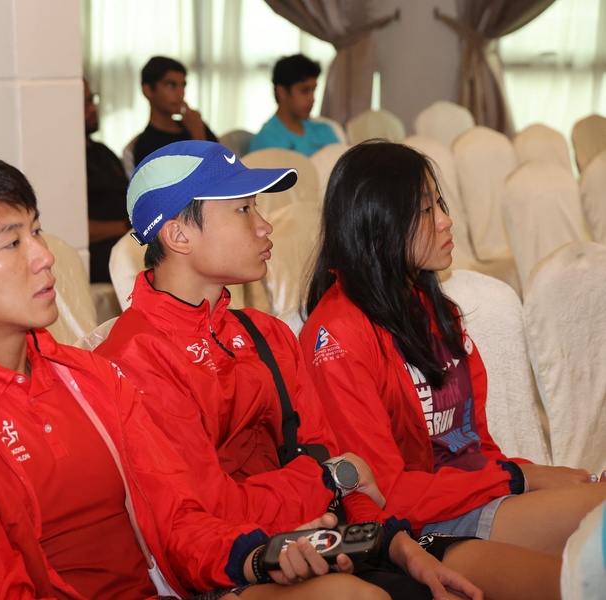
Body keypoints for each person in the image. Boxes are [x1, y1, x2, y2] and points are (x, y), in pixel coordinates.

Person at [0, 151, 389, 599]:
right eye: (12, 243)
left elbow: (179, 519)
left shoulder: (89, 378)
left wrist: (256, 558)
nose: (46, 256)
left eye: (37, 231)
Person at [96, 140, 485, 600]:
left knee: (473, 579)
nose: (264, 226)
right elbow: (199, 520)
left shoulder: (267, 334)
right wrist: (325, 478)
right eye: (243, 210)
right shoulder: (133, 360)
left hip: (317, 542)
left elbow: (344, 471)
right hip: (231, 570)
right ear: (178, 235)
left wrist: (402, 548)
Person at [301, 140, 606, 597]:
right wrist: (521, 478)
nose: (446, 221)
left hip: (469, 495)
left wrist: (519, 476)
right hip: (417, 522)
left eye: (439, 203)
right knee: (580, 568)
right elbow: (380, 491)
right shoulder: (337, 336)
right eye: (425, 212)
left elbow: (473, 444)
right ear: (378, 228)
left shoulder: (432, 306)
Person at [84, 78, 129, 283]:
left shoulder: (104, 153)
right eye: (84, 103)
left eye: (91, 100)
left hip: (130, 237)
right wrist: (125, 227)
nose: (92, 109)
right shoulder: (66, 164)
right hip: (101, 251)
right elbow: (74, 227)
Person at [133, 56, 217, 166]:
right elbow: (200, 178)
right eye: (170, 85)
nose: (180, 93)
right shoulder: (146, 145)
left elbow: (225, 166)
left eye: (183, 86)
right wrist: (198, 135)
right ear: (148, 90)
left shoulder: (193, 124)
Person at [248, 54, 339, 157]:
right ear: (282, 92)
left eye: (314, 90)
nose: (312, 98)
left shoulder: (324, 130)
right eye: (304, 91)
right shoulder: (267, 140)